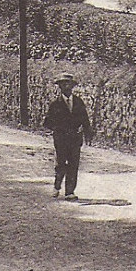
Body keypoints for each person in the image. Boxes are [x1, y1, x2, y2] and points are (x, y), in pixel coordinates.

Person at [42, 72, 94, 201]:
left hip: (75, 138)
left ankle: (70, 191)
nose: (66, 86)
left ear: (72, 86)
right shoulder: (55, 104)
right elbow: (47, 123)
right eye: (63, 84)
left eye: (69, 84)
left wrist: (88, 134)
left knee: (73, 164)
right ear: (59, 87)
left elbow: (85, 119)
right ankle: (57, 185)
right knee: (61, 164)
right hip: (61, 139)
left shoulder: (78, 102)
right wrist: (58, 129)